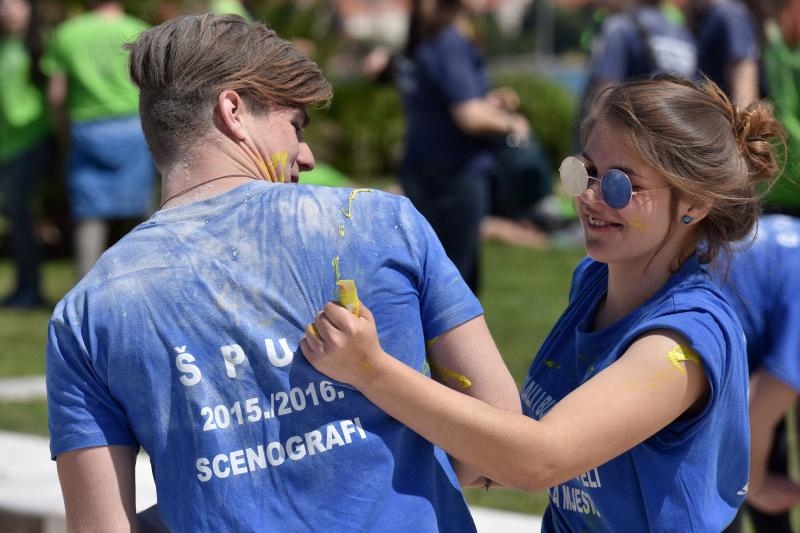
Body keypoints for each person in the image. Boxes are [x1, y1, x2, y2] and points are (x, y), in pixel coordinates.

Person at [45, 14, 520, 532]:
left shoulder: (90, 310)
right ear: (233, 112)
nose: (308, 155)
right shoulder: (380, 223)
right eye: (295, 125)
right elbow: (498, 431)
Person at [302, 75, 785, 531]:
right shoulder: (594, 282)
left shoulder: (680, 347)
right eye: (586, 171)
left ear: (695, 204)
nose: (592, 197)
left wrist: (371, 370)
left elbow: (540, 458)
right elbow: (515, 450)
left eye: (621, 184)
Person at [396, 0, 531, 293]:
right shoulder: (449, 42)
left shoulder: (443, 38)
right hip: (452, 175)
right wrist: (513, 123)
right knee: (453, 289)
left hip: (437, 170)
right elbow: (469, 116)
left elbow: (459, 103)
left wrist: (490, 103)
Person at [41, 0, 155, 279]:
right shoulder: (139, 30)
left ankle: (85, 288)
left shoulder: (68, 33)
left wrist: (63, 135)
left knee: (89, 213)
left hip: (88, 130)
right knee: (141, 212)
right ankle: (146, 281)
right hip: (133, 128)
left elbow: (56, 95)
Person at [719, 214, 800, 533]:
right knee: (723, 486)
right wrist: (759, 486)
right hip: (694, 357)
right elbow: (758, 410)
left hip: (734, 320)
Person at [0, 0, 51, 308]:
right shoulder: (4, 46)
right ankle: (22, 287)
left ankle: (31, 290)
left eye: (14, 5)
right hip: (6, 147)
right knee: (15, 219)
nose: (7, 11)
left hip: (32, 141)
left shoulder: (40, 45)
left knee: (23, 217)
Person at [685, 0, 760, 106]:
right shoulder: (710, 15)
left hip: (719, 117)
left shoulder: (731, 16)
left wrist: (743, 119)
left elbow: (744, 85)